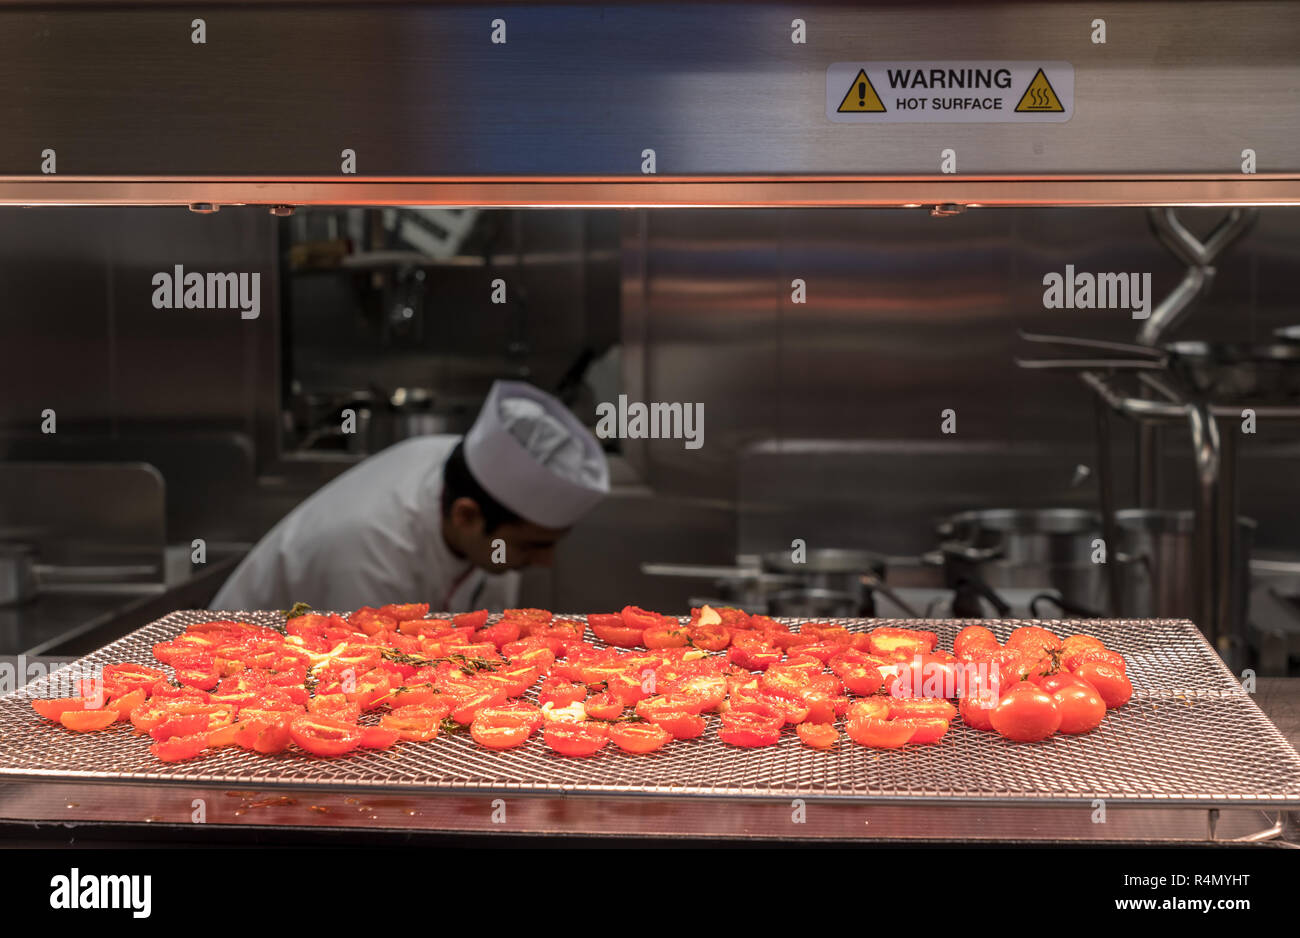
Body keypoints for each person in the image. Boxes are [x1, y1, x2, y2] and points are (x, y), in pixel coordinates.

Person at [210, 380, 609, 613]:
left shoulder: (471, 474)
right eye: (531, 545)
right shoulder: (369, 559)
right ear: (466, 517)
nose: (547, 561)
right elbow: (362, 697)